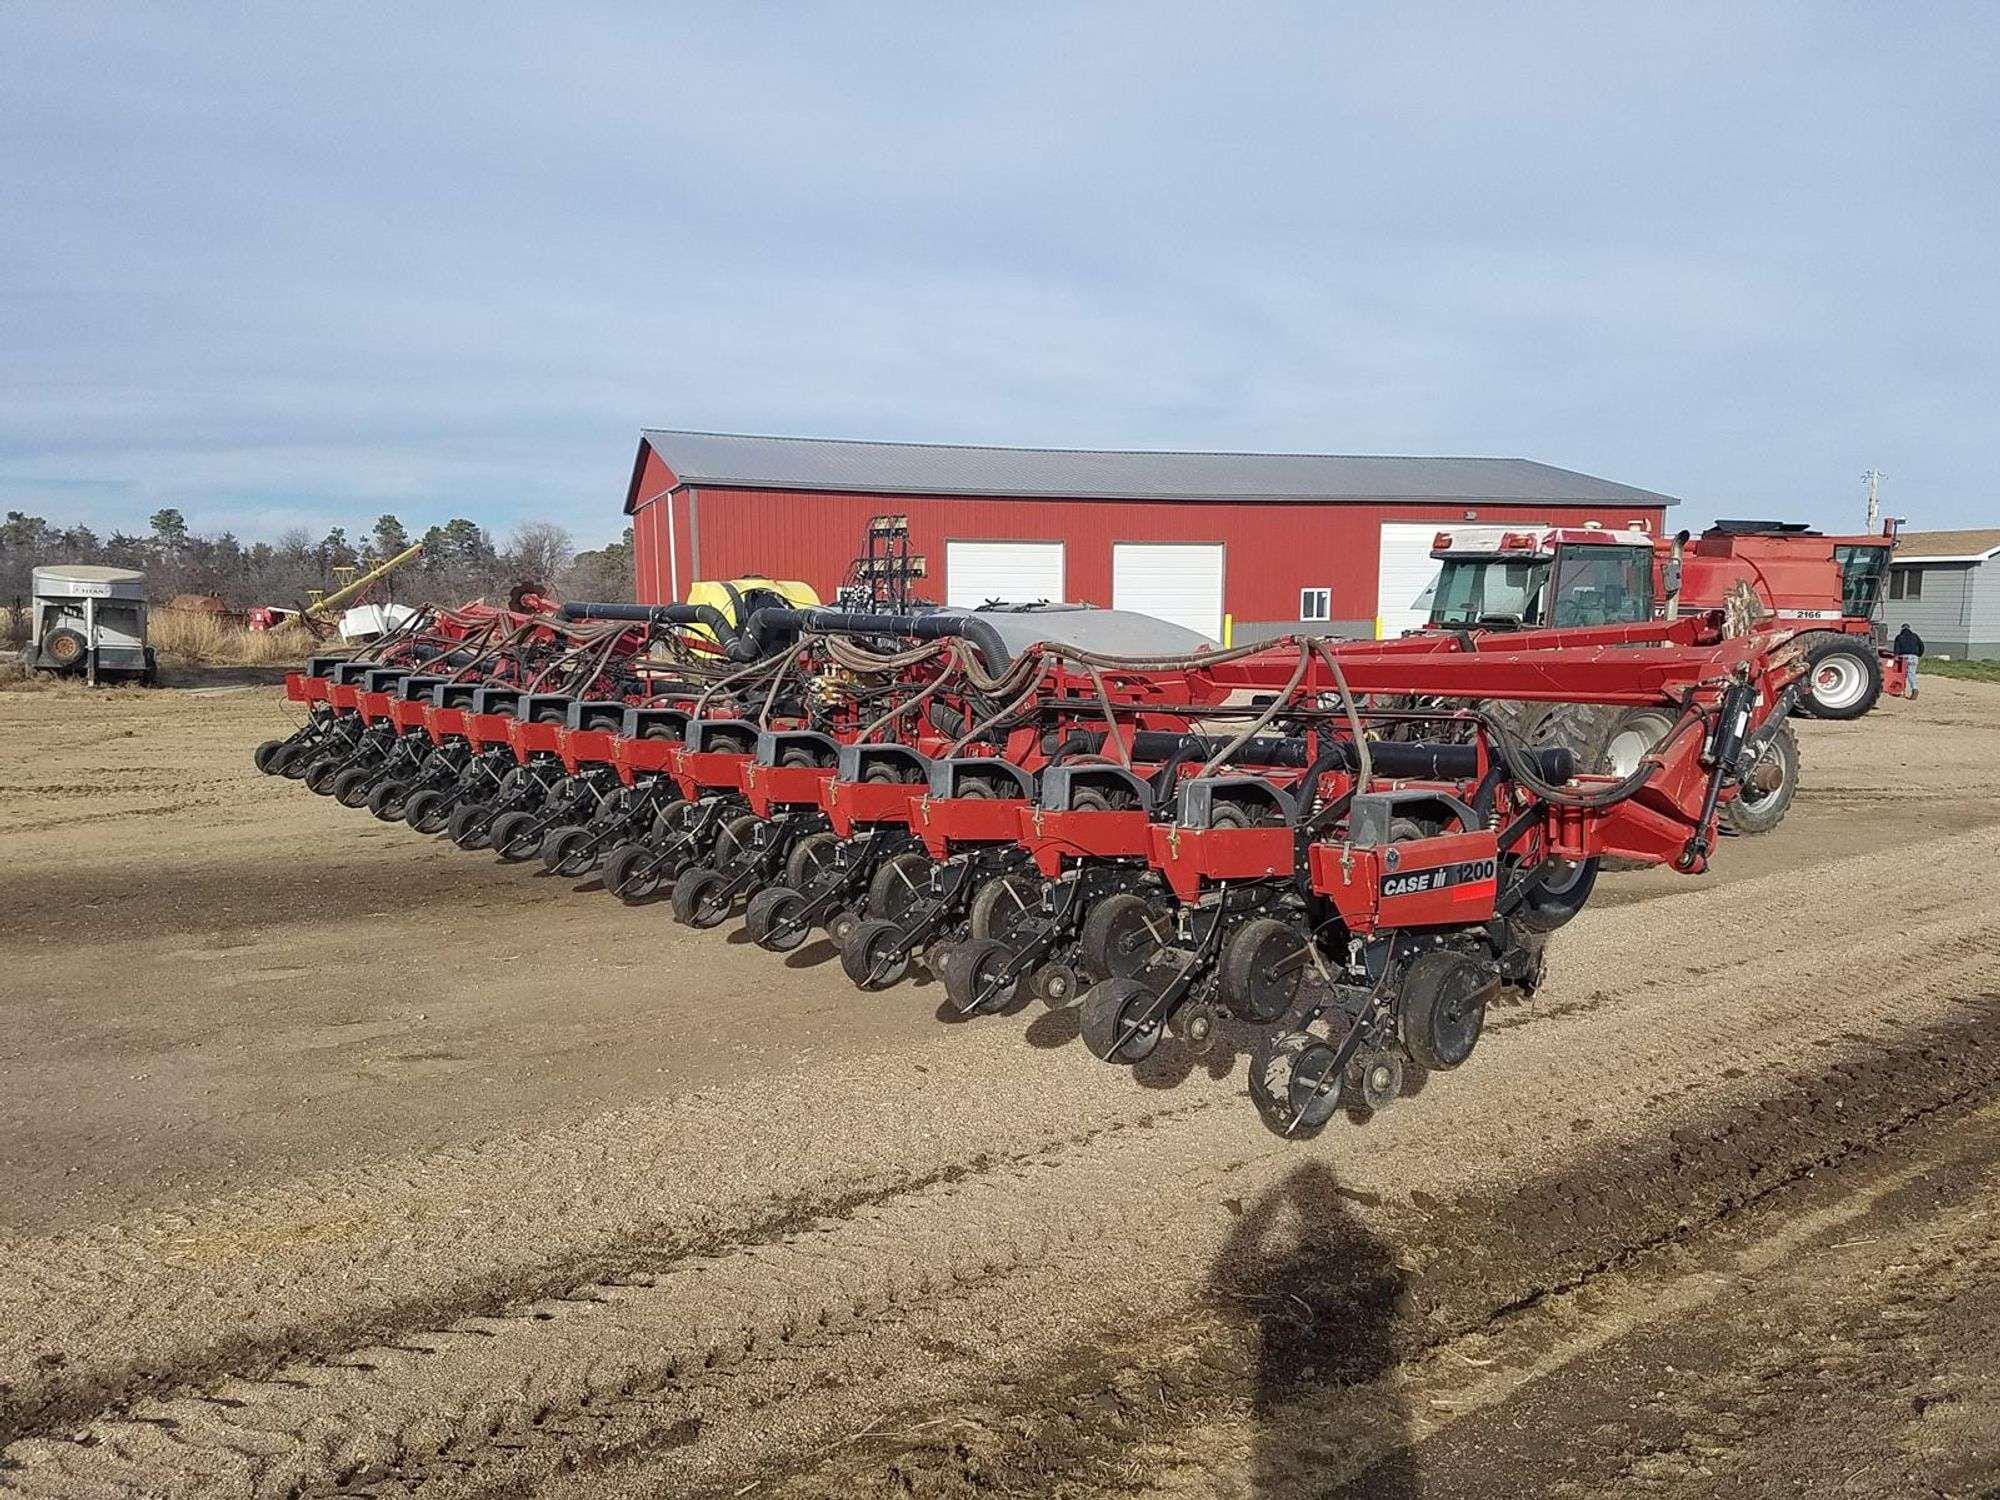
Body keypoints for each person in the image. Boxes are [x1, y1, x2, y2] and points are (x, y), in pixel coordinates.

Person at [1894, 622, 1925, 699]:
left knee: (1901, 675)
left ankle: (1901, 692)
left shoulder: (1899, 637)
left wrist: (1896, 658)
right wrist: (1919, 654)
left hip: (1903, 657)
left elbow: (1896, 649)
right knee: (1912, 674)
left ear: (1902, 629)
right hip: (1914, 657)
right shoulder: (1915, 636)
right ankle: (1914, 688)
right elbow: (1921, 646)